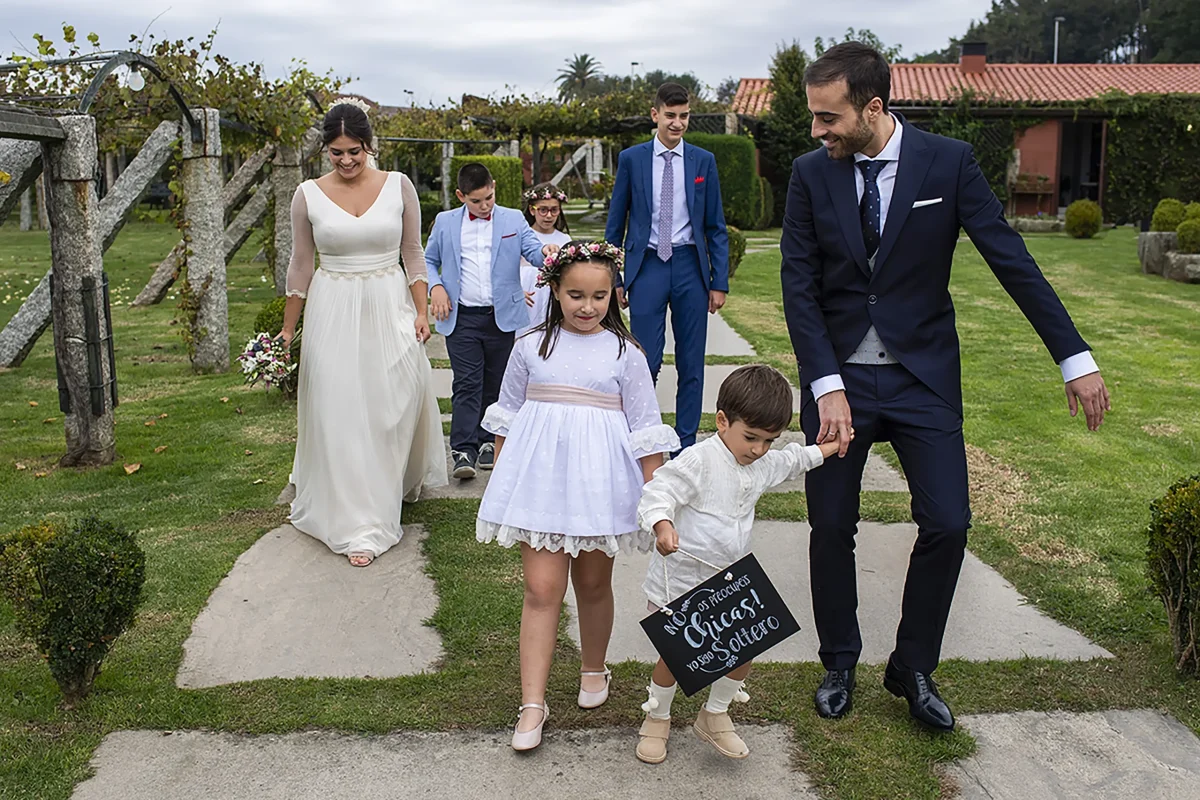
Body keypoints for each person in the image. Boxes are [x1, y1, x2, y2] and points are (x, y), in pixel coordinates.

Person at [780, 42, 1111, 731]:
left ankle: (913, 666)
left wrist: (1074, 358)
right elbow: (798, 290)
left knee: (950, 523)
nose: (817, 131)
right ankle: (840, 659)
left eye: (827, 117)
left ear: (874, 107)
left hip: (923, 378)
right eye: (814, 119)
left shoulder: (948, 162)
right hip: (841, 381)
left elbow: (1010, 259)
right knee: (832, 524)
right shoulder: (812, 174)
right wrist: (825, 387)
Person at [476, 241, 679, 751]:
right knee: (541, 590)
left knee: (592, 584)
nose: (587, 307)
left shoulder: (625, 354)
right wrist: (504, 479)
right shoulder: (530, 346)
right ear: (554, 290)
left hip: (599, 485)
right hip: (541, 483)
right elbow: (507, 417)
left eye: (599, 296)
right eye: (575, 295)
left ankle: (594, 667)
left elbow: (645, 429)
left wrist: (658, 502)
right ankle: (531, 704)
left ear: (614, 295)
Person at [634, 365, 847, 763]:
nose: (759, 449)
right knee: (677, 656)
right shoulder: (699, 460)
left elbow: (793, 460)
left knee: (744, 647)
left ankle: (714, 714)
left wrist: (828, 449)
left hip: (728, 583)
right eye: (751, 437)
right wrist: (662, 526)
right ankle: (657, 717)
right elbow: (658, 491)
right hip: (680, 579)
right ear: (722, 421)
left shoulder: (762, 463)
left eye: (769, 440)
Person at [281, 98, 447, 568]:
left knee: (390, 403)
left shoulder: (399, 186)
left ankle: (387, 483)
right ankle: (363, 523)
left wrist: (421, 311)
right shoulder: (307, 194)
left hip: (389, 300)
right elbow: (300, 264)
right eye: (337, 153)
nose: (347, 161)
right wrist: (288, 330)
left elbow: (413, 253)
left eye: (355, 150)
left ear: (369, 145)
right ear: (325, 151)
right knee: (340, 409)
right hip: (332, 306)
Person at [605, 82, 731, 452]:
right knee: (647, 360)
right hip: (647, 267)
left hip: (690, 265)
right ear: (655, 115)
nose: (677, 123)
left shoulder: (703, 161)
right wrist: (615, 277)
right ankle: (644, 436)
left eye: (684, 116)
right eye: (671, 116)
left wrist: (718, 281)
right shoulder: (632, 159)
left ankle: (685, 443)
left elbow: (715, 225)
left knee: (692, 361)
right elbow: (615, 224)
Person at [425, 164, 558, 481]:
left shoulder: (512, 219)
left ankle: (488, 441)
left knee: (497, 382)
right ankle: (462, 449)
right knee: (467, 382)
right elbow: (428, 260)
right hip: (461, 317)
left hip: (502, 315)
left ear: (494, 188)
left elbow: (533, 252)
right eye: (476, 201)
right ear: (461, 196)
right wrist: (437, 287)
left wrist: (547, 251)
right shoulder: (445, 223)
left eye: (489, 198)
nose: (485, 206)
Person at [519, 182, 573, 334]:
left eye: (554, 210)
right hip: (528, 293)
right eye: (543, 210)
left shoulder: (564, 239)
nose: (549, 215)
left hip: (553, 294)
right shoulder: (524, 236)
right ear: (532, 210)